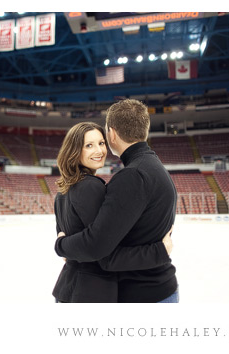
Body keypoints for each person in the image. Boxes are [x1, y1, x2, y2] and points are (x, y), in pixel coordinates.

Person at [55, 99, 179, 303]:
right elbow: (101, 251)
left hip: (144, 294)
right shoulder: (154, 167)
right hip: (137, 291)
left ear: (111, 134)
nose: (99, 150)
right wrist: (160, 251)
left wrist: (62, 245)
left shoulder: (131, 176)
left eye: (101, 142)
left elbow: (97, 249)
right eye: (89, 145)